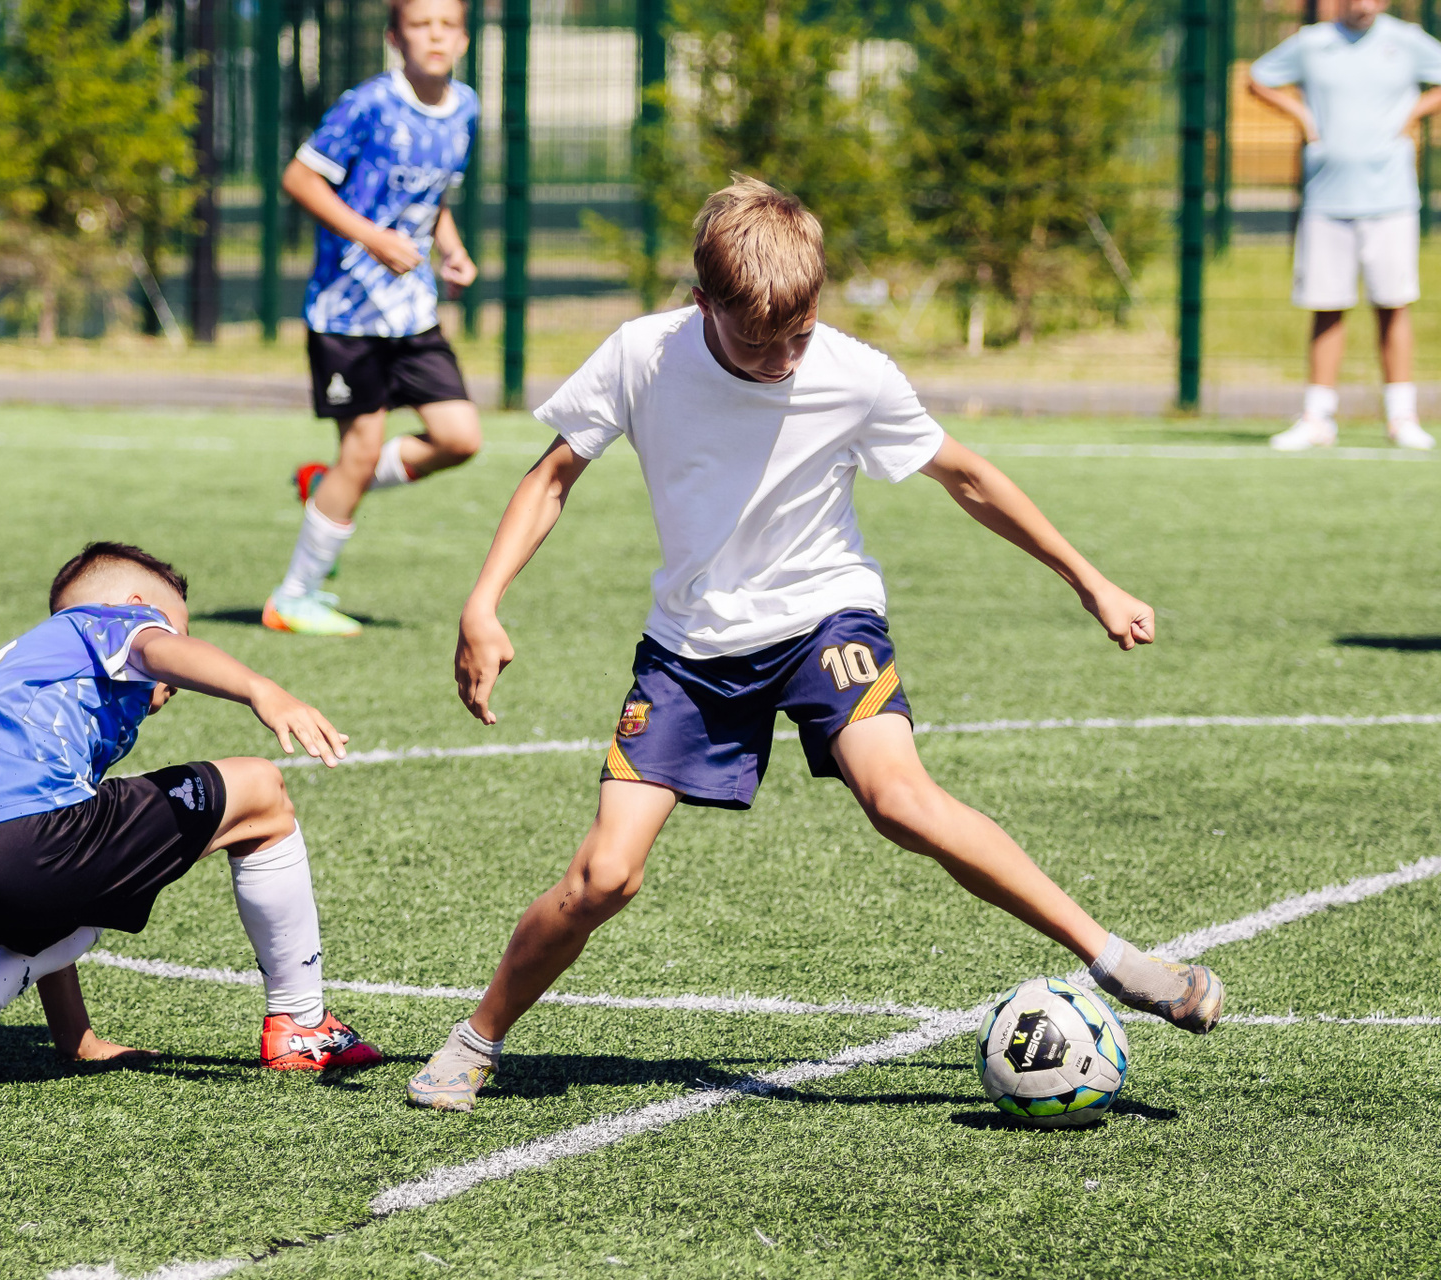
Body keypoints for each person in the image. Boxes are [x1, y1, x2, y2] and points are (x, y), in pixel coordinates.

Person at [405, 179, 1226, 1112]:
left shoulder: (855, 374)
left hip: (827, 619)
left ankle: (1117, 962)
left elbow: (967, 477)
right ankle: (477, 1038)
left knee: (901, 801)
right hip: (692, 649)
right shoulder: (643, 354)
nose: (781, 359)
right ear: (702, 302)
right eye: (757, 342)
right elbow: (552, 477)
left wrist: (1090, 579)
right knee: (605, 877)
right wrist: (483, 602)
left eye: (796, 335)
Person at [0, 541, 383, 1083]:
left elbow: (48, 875)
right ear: (135, 607)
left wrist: (77, 1043)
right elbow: (154, 650)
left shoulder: (22, 672)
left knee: (80, 890)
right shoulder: (104, 621)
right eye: (177, 630)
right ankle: (302, 1023)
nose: (176, 655)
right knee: (261, 791)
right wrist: (261, 691)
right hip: (24, 839)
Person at [263, 0, 483, 637]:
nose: (434, 36)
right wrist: (372, 238)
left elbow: (433, 199)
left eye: (447, 25)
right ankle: (293, 598)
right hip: (346, 313)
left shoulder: (465, 107)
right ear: (395, 38)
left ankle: (331, 485)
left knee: (459, 438)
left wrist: (451, 249)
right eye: (420, 25)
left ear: (464, 40)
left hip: (411, 311)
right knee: (359, 450)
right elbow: (299, 179)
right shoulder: (368, 105)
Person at [1250, 0, 1441, 451]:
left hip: (1391, 199)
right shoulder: (1312, 43)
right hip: (1326, 198)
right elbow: (1257, 79)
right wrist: (1302, 116)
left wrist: (1413, 113)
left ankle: (1401, 417)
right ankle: (1318, 417)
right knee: (1326, 306)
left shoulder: (1406, 41)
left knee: (1393, 304)